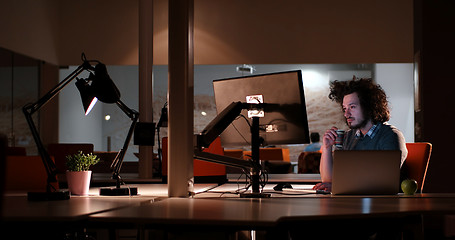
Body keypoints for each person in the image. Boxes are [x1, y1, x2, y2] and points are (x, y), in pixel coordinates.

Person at [314, 77, 407, 192]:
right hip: (353, 202)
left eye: (352, 107)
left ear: (369, 107)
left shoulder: (390, 136)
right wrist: (327, 148)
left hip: (380, 205)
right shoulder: (349, 137)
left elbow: (384, 182)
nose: (346, 114)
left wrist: (341, 186)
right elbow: (328, 181)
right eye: (344, 108)